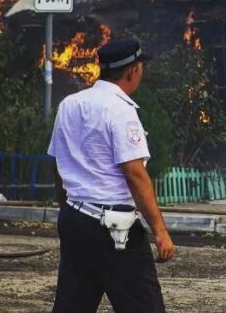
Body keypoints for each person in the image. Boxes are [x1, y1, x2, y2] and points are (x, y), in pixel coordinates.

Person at [48, 38, 174, 313]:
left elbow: (58, 163)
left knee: (74, 304)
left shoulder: (69, 104)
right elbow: (135, 173)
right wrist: (160, 231)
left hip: (75, 217)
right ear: (133, 71)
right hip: (115, 228)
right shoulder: (120, 110)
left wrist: (68, 209)